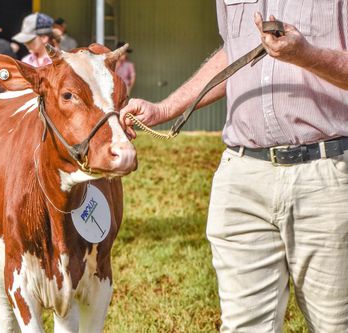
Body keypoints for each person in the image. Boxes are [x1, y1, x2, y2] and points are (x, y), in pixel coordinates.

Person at [121, 2, 348, 332]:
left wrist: (306, 55)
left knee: (335, 324)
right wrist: (165, 108)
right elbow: (234, 51)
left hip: (325, 176)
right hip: (242, 176)